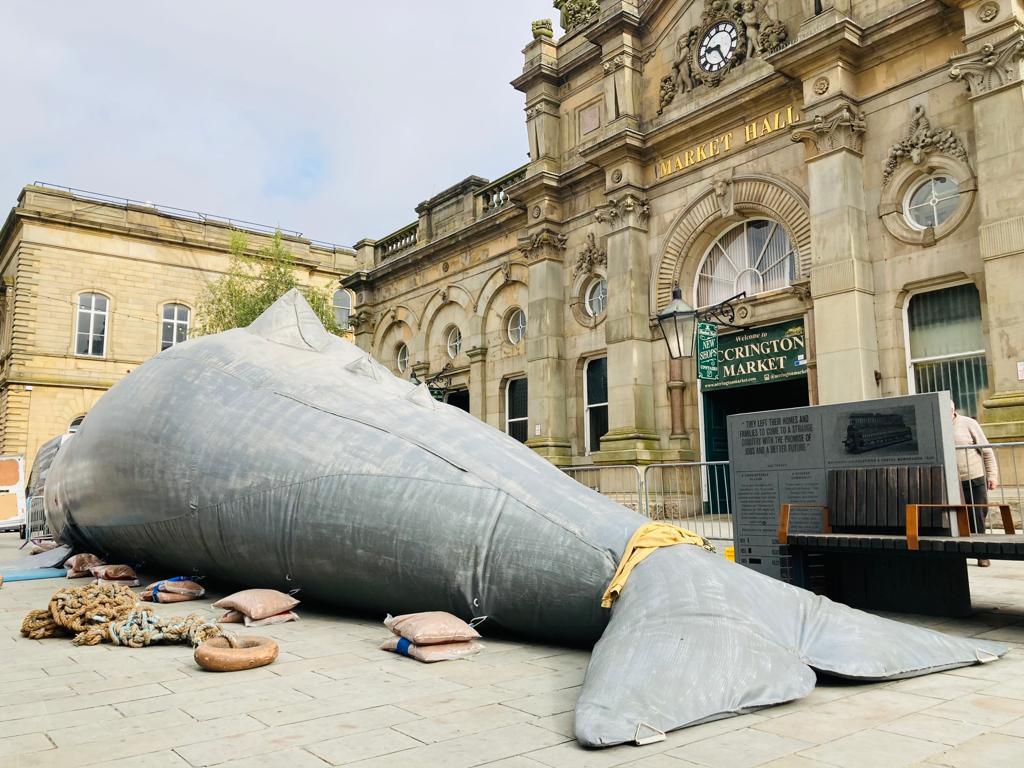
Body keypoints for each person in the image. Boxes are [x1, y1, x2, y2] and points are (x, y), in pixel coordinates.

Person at [951, 401, 999, 566]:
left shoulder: (969, 423)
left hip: (973, 477)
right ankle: (960, 553)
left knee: (977, 516)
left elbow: (986, 451)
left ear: (953, 410)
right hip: (950, 481)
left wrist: (992, 475)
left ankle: (982, 554)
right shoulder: (938, 425)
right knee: (954, 518)